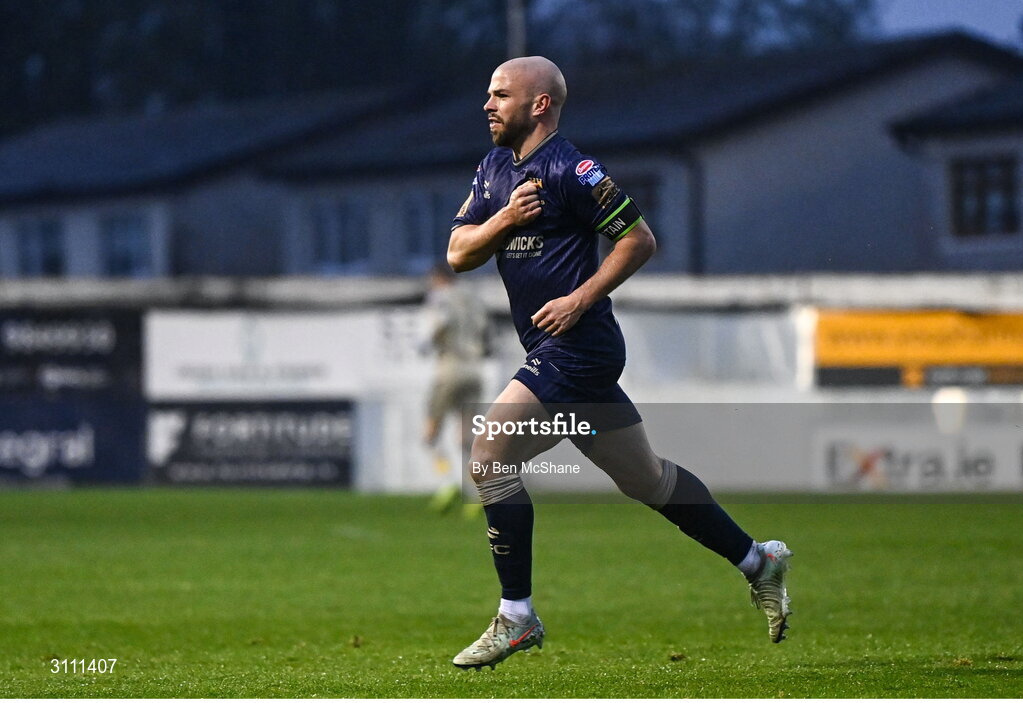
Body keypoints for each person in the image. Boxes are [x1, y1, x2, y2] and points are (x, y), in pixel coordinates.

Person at [447, 56, 793, 670]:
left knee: (489, 454)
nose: (487, 105)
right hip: (555, 352)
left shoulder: (575, 169)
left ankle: (517, 617)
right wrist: (505, 218)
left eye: (500, 95)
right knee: (648, 481)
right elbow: (457, 253)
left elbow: (639, 239)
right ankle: (758, 562)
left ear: (539, 104)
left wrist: (580, 298)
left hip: (579, 348)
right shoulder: (494, 168)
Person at [420, 262, 487, 515]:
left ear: (438, 279)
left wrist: (429, 343)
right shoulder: (473, 299)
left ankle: (447, 483)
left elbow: (440, 324)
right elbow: (486, 334)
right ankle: (477, 492)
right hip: (475, 369)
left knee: (430, 433)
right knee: (466, 438)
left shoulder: (440, 297)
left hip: (450, 368)